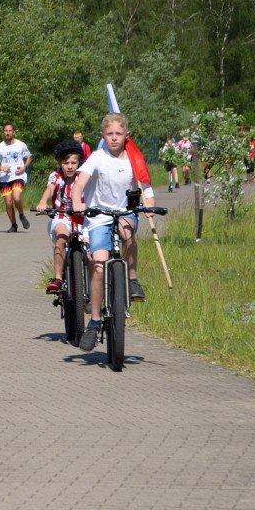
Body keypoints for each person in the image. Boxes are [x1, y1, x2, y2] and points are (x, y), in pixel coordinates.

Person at [71, 112, 156, 351]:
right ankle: (95, 321)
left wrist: (149, 205)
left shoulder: (134, 159)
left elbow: (146, 187)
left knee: (127, 232)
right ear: (102, 136)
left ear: (127, 135)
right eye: (109, 134)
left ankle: (132, 279)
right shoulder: (97, 157)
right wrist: (77, 200)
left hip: (124, 212)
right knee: (98, 265)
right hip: (98, 215)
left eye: (119, 134)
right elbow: (79, 184)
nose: (114, 138)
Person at [35, 139, 84, 294]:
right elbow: (50, 189)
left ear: (79, 163)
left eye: (73, 162)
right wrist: (43, 202)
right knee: (61, 236)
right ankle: (58, 278)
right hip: (62, 216)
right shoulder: (56, 175)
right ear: (59, 163)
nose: (70, 166)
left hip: (82, 218)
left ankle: (90, 288)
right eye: (65, 163)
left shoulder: (83, 176)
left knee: (91, 251)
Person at [0, 122, 33, 232]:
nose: (8, 133)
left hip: (18, 175)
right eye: (6, 131)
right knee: (8, 203)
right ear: (3, 132)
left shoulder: (20, 145)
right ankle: (14, 225)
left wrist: (24, 167)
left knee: (16, 197)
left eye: (9, 131)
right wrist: (1, 168)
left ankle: (22, 215)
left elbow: (29, 157)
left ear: (13, 132)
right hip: (5, 178)